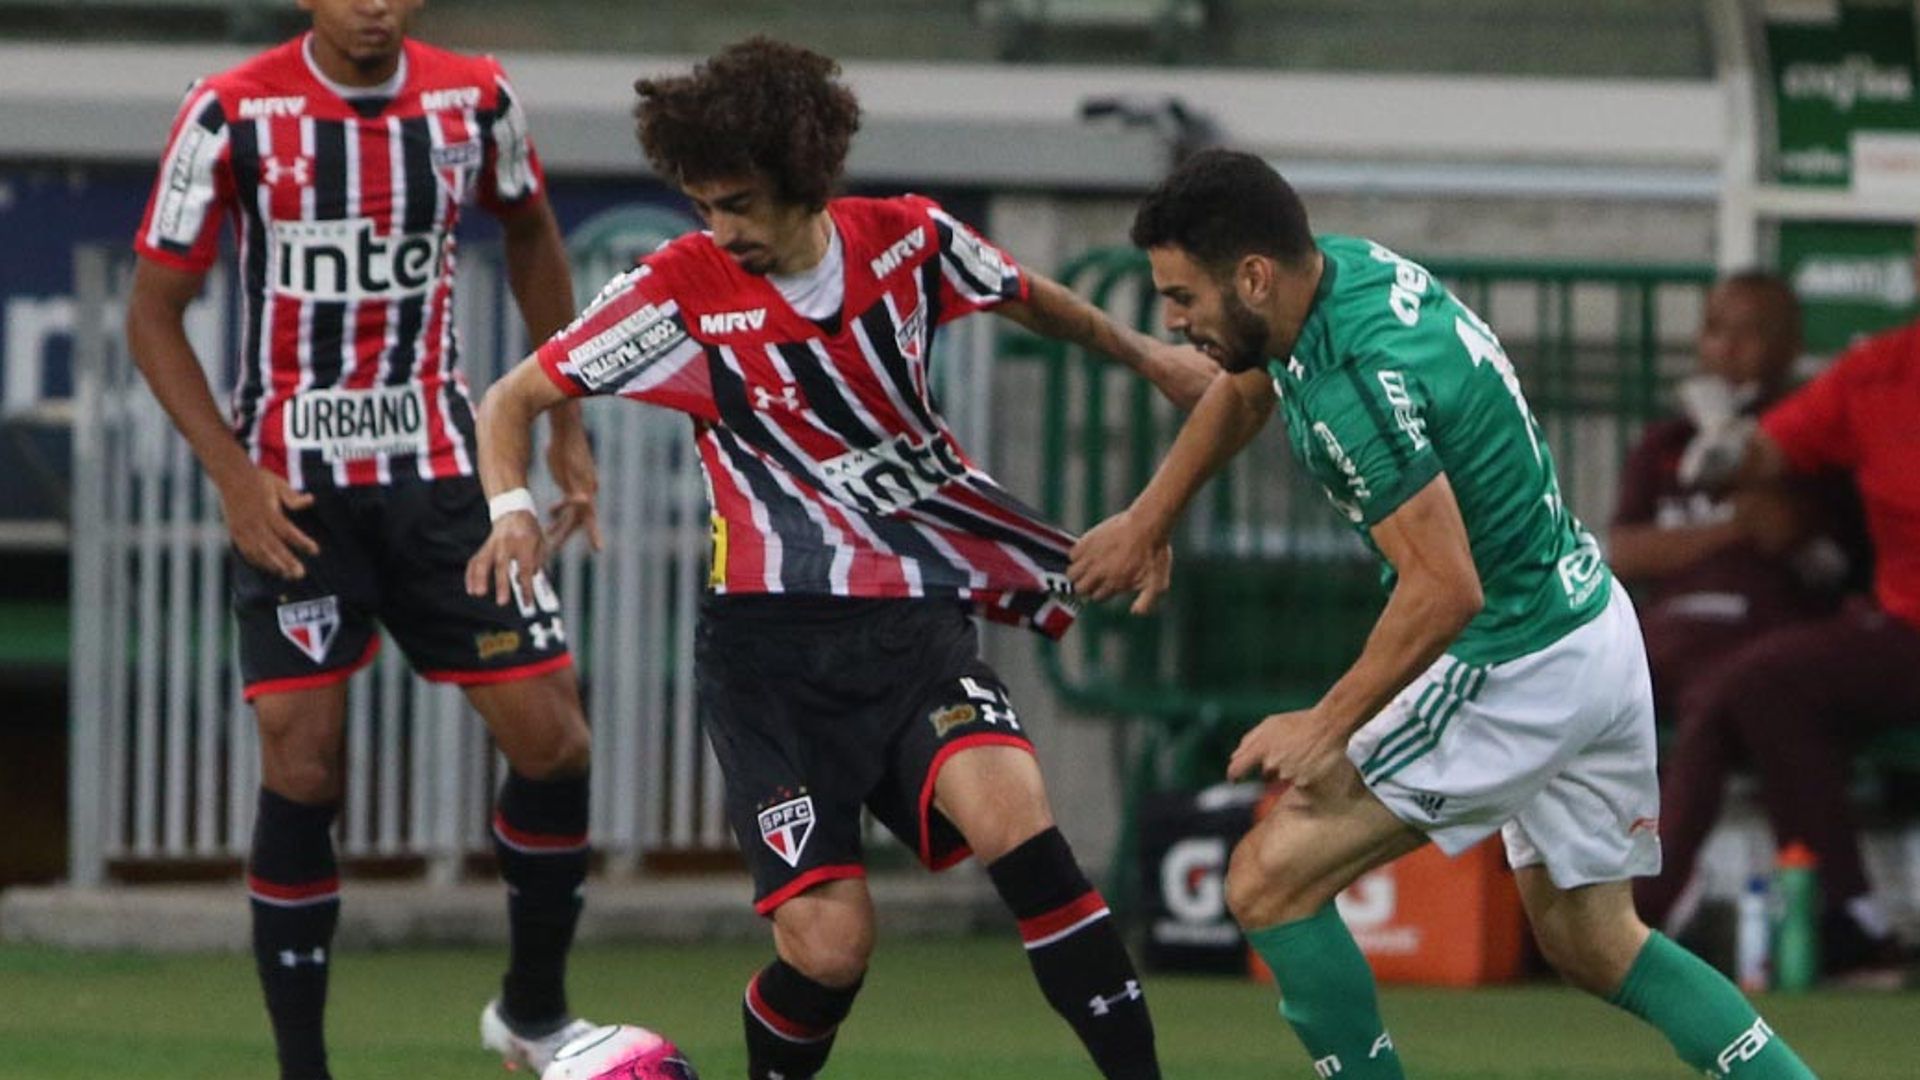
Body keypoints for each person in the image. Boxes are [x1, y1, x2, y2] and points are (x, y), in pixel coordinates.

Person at [467, 37, 1214, 1080]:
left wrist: (1149, 356)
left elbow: (1034, 297)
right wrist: (510, 506)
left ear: (805, 179)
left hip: (913, 628)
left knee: (1026, 839)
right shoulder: (680, 291)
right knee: (832, 947)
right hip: (769, 660)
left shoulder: (909, 242)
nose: (720, 231)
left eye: (738, 205)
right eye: (704, 207)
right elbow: (512, 398)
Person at [1070, 149, 1817, 1079]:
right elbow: (1250, 384)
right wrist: (1149, 520)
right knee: (1594, 943)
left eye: (1183, 297)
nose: (1174, 322)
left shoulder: (1353, 383)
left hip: (1514, 659)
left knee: (1268, 881)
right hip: (1588, 620)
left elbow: (1444, 589)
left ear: (1253, 276)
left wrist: (1327, 721)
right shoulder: (1337, 274)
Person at [125, 1, 602, 1075]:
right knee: (303, 768)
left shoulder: (475, 96)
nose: (372, 3)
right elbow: (154, 310)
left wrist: (564, 422)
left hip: (444, 482)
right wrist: (234, 475)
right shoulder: (229, 113)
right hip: (298, 498)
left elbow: (530, 231)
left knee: (555, 738)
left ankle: (532, 1013)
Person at [1612, 274, 1878, 960]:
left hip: (1759, 638)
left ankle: (1642, 909)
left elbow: (1841, 566)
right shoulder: (1666, 441)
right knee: (1553, 685)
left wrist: (1790, 529)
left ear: (1790, 346)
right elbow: (1625, 548)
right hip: (1661, 634)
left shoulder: (1811, 442)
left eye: (1749, 332)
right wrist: (1734, 528)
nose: (1726, 348)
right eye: (1714, 329)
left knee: (1724, 698)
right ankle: (1527, 905)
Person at [1672, 262, 1920, 984]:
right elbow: (1771, 446)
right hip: (1908, 628)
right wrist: (1726, 450)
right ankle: (1851, 922)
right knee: (1762, 681)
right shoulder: (1879, 370)